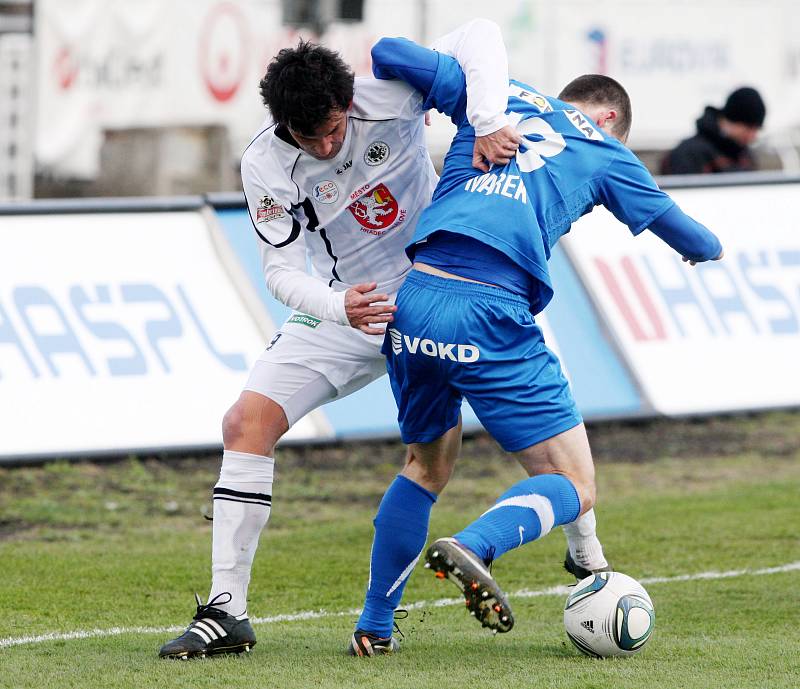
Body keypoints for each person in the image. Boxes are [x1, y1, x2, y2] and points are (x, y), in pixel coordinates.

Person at [158, 19, 605, 660]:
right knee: (245, 423)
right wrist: (339, 305)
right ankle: (228, 613)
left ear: (349, 103)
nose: (326, 145)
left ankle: (589, 565)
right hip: (348, 308)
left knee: (543, 462)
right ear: (283, 126)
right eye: (309, 138)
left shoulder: (391, 96)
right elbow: (282, 272)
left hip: (442, 289)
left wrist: (482, 119)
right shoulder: (263, 162)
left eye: (336, 129)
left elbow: (479, 34)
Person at [348, 35, 723, 656]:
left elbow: (388, 50)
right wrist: (705, 248)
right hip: (488, 310)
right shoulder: (605, 148)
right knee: (574, 482)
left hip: (411, 301)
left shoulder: (495, 92)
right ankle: (475, 545)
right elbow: (698, 240)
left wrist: (486, 115)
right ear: (608, 119)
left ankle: (374, 626)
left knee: (424, 466)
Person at [659, 86, 766, 174]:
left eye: (756, 130)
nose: (753, 136)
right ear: (730, 120)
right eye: (748, 128)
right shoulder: (687, 154)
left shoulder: (745, 155)